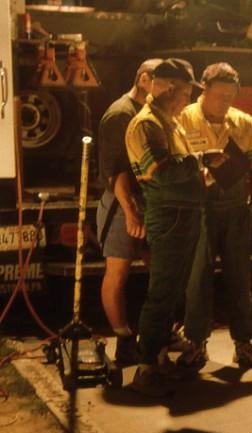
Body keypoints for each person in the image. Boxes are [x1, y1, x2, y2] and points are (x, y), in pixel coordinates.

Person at [125, 58, 219, 396]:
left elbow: (181, 167)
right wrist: (201, 161)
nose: (185, 100)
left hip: (185, 213)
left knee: (174, 290)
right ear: (168, 89)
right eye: (183, 93)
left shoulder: (171, 123)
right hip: (168, 215)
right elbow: (159, 172)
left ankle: (160, 359)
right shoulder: (145, 125)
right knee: (162, 291)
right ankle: (146, 366)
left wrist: (202, 170)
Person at [176, 62, 252, 370]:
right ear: (204, 90)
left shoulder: (242, 122)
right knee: (197, 277)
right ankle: (195, 343)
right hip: (199, 208)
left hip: (234, 208)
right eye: (219, 96)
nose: (225, 102)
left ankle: (244, 344)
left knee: (240, 277)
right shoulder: (182, 118)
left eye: (230, 96)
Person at [96, 58, 161, 366]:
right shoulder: (120, 114)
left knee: (159, 270)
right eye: (161, 83)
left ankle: (155, 333)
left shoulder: (150, 113)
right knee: (118, 273)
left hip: (147, 201)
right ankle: (123, 340)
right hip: (124, 204)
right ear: (144, 79)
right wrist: (131, 212)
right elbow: (115, 171)